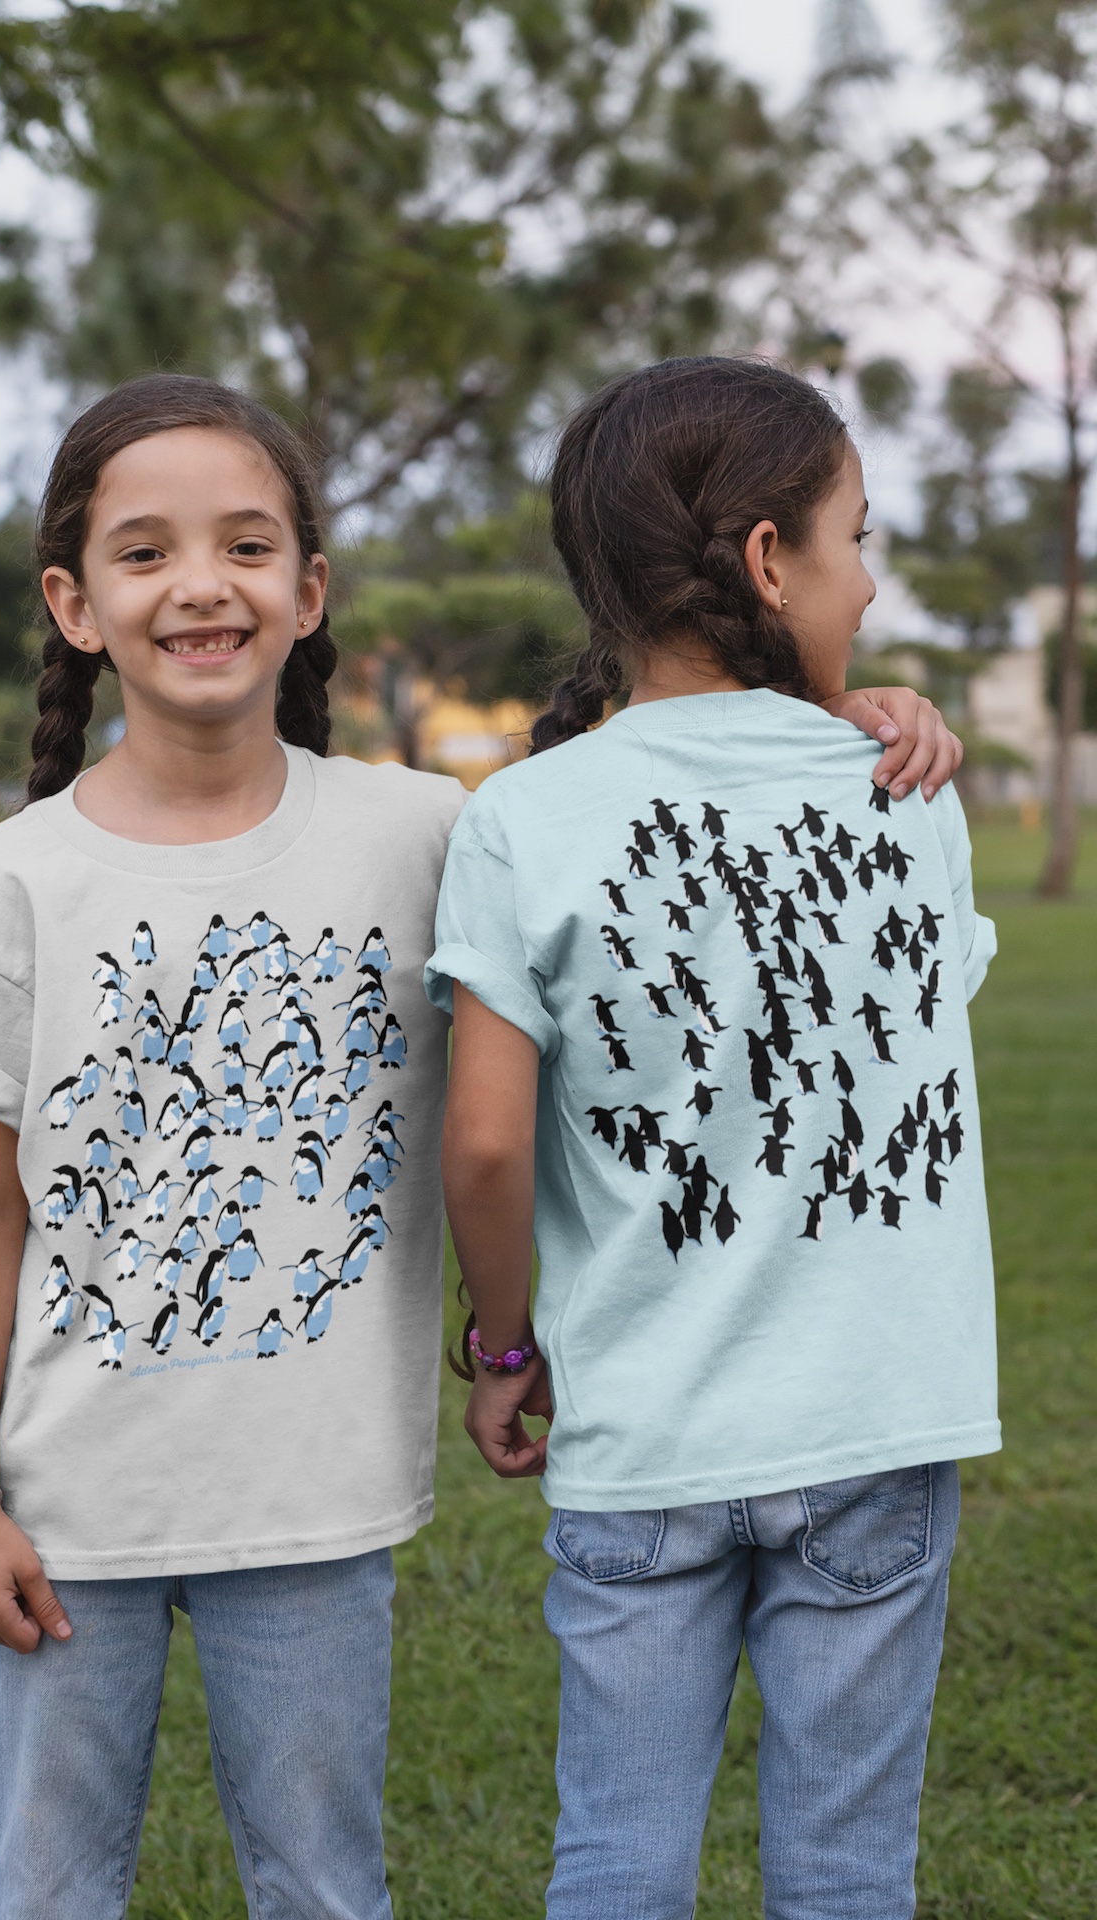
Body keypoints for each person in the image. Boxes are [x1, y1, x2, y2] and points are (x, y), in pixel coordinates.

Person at [0, 367, 961, 1920]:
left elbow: (650, 802)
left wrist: (846, 710)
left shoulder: (429, 830)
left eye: (249, 546)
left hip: (324, 1513)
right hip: (70, 1519)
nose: (202, 584)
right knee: (45, 1890)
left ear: (311, 589)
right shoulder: (17, 877)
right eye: (144, 553)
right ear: (73, 603)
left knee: (331, 1890)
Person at [427, 357, 998, 1920]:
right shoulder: (905, 795)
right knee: (846, 1871)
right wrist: (856, 721)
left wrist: (501, 1347)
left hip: (641, 1444)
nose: (870, 585)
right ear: (767, 559)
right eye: (858, 537)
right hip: (874, 1432)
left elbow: (482, 1150)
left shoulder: (520, 815)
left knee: (616, 1856)